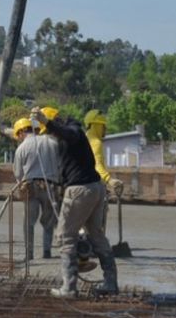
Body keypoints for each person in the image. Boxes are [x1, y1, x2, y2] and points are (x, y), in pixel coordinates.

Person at [32, 106, 117, 298]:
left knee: (64, 237)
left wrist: (46, 122)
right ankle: (110, 283)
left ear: (55, 123)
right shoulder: (73, 134)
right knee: (96, 235)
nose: (51, 137)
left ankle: (69, 288)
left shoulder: (73, 132)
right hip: (95, 187)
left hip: (80, 190)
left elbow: (66, 133)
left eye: (50, 132)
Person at [11, 116, 60, 260]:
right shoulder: (52, 143)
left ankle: (29, 253)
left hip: (30, 187)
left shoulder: (22, 148)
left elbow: (18, 174)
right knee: (48, 221)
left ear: (20, 132)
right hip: (50, 186)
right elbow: (59, 165)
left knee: (29, 222)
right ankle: (46, 251)